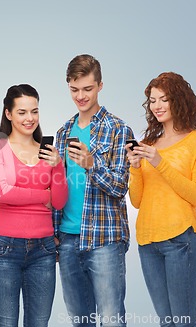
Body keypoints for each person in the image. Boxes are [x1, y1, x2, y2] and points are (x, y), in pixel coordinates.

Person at [126, 72, 196, 327]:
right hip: (148, 243)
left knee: (184, 323)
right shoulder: (147, 143)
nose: (158, 106)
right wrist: (135, 166)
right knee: (166, 324)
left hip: (180, 242)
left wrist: (159, 163)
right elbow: (138, 201)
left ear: (179, 100)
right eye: (153, 100)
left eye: (164, 99)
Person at [53, 54, 134, 327]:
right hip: (67, 239)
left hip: (105, 239)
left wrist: (91, 165)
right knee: (80, 321)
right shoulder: (63, 132)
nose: (81, 96)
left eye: (87, 89)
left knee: (111, 321)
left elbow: (120, 186)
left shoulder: (119, 129)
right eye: (74, 89)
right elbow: (58, 187)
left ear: (100, 86)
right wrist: (53, 233)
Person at [0, 84, 68, 327]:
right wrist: (43, 196)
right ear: (8, 114)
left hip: (43, 250)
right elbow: (2, 193)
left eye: (34, 111)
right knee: (6, 323)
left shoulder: (48, 152)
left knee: (39, 323)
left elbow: (59, 201)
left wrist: (59, 165)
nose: (29, 118)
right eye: (22, 112)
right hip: (4, 250)